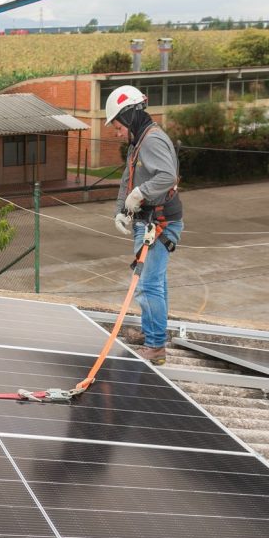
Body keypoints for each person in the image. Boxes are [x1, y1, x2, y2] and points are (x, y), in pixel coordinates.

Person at [105, 85, 183, 366]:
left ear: (129, 116)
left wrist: (140, 194)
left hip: (160, 223)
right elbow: (128, 177)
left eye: (117, 126)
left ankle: (155, 347)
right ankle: (153, 333)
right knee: (155, 284)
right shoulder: (139, 142)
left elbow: (167, 177)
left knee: (147, 286)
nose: (117, 133)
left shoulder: (152, 140)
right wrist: (121, 210)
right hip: (147, 220)